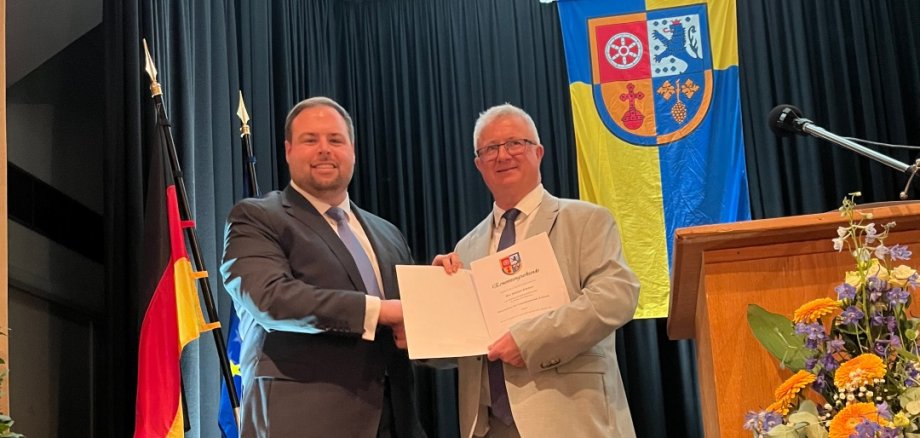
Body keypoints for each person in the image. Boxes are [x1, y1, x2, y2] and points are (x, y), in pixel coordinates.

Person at [221, 96, 426, 438]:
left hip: (397, 423)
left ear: (353, 151)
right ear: (288, 151)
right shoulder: (256, 218)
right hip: (302, 422)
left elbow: (412, 323)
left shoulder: (388, 233)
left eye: (335, 140)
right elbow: (270, 298)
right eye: (310, 140)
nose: (324, 149)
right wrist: (379, 311)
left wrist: (439, 291)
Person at [433, 104, 640, 437]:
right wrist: (436, 296)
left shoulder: (586, 220)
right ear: (478, 164)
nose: (503, 155)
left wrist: (529, 340)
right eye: (490, 149)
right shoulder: (465, 248)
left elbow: (616, 297)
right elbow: (459, 345)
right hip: (490, 426)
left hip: (571, 419)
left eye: (515, 143)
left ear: (538, 152)